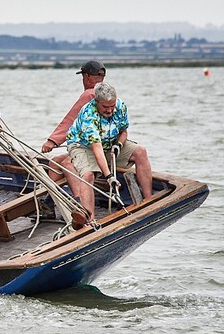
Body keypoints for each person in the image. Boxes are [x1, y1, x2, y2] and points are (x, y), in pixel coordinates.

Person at [65, 82, 153, 217]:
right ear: (96, 101)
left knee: (140, 151)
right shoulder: (89, 115)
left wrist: (119, 145)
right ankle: (90, 220)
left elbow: (123, 132)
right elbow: (97, 149)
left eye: (112, 106)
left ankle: (149, 201)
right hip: (84, 146)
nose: (110, 110)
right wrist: (109, 177)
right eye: (105, 107)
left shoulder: (120, 106)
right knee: (88, 175)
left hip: (109, 143)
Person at [41, 60, 106, 199]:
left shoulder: (90, 94)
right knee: (55, 162)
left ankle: (80, 203)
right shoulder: (104, 92)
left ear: (87, 76)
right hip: (95, 146)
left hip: (97, 150)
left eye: (83, 77)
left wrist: (52, 141)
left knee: (66, 163)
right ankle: (50, 202)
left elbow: (71, 120)